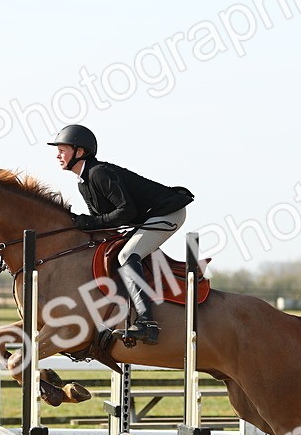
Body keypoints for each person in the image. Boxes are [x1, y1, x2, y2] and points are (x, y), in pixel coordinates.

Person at [48, 124, 193, 346]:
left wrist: (89, 222)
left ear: (79, 152)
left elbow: (126, 211)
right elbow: (103, 221)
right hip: (147, 217)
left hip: (168, 213)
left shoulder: (99, 173)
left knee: (127, 255)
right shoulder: (84, 182)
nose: (57, 155)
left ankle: (147, 323)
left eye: (62, 150)